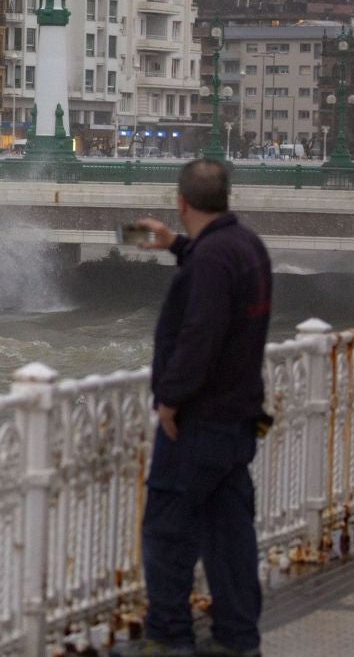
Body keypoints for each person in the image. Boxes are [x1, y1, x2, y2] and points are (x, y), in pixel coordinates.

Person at [122, 159, 272, 657]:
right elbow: (220, 288)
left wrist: (171, 399)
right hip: (236, 418)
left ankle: (167, 638)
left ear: (181, 202)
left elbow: (200, 334)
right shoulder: (246, 246)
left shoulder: (212, 258)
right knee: (230, 536)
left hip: (200, 421)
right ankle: (237, 639)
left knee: (167, 531)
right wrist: (177, 245)